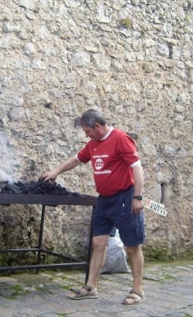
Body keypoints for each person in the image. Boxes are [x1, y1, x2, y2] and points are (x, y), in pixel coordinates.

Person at [40, 109, 146, 306]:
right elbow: (77, 159)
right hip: (104, 200)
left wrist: (137, 198)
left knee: (132, 245)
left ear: (98, 126)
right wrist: (56, 171)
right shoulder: (93, 144)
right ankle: (90, 286)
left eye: (87, 131)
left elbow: (137, 168)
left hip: (125, 198)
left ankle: (137, 289)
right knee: (98, 242)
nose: (85, 135)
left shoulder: (121, 139)